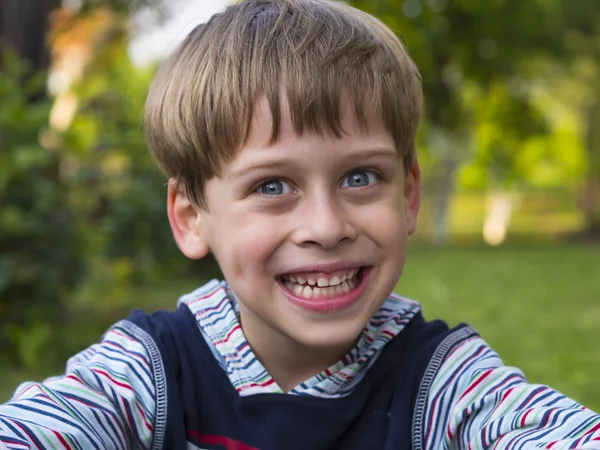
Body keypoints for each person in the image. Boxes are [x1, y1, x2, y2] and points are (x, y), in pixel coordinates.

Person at [1, 0, 599, 448]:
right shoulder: (150, 372)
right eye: (272, 186)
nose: (326, 225)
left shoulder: (442, 383)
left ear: (409, 195)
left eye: (360, 177)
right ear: (191, 217)